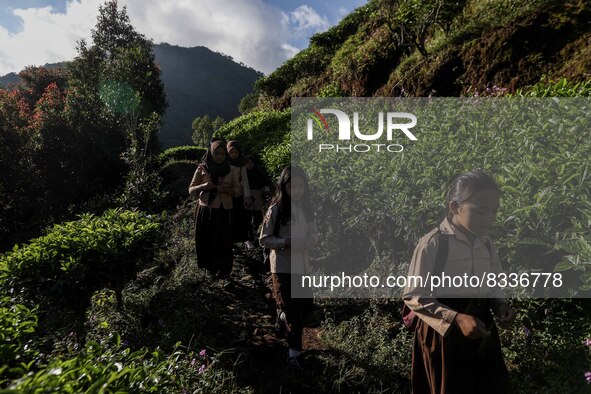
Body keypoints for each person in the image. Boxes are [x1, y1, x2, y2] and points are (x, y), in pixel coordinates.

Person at [402, 169, 516, 394]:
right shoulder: (433, 244)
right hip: (444, 337)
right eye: (481, 211)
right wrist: (457, 318)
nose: (489, 218)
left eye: (494, 211)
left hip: (480, 330)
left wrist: (501, 306)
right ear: (455, 207)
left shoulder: (487, 245)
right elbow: (414, 295)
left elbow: (493, 285)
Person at [260, 165, 316, 371]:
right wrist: (287, 242)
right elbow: (264, 239)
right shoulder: (275, 209)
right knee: (294, 313)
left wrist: (311, 241)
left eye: (301, 187)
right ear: (284, 187)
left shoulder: (306, 208)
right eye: (293, 187)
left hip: (302, 266)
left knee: (305, 307)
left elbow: (314, 233)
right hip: (282, 266)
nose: (298, 191)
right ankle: (294, 354)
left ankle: (281, 313)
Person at [188, 140, 240, 284]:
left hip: (225, 210)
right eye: (216, 153)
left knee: (225, 241)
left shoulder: (232, 170)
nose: (220, 156)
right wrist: (204, 186)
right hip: (206, 209)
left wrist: (227, 190)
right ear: (211, 153)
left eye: (223, 154)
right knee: (207, 240)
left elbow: (238, 190)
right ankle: (209, 270)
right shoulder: (202, 168)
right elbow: (191, 190)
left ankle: (224, 273)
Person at [242, 154, 271, 249]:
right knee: (247, 219)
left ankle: (257, 236)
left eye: (251, 163)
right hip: (247, 197)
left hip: (258, 197)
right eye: (247, 163)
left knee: (258, 218)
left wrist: (266, 193)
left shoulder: (259, 172)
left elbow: (265, 183)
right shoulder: (243, 173)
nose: (250, 165)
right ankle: (249, 238)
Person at [226, 140, 252, 244]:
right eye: (231, 152)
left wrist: (247, 196)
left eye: (236, 152)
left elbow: (245, 181)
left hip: (238, 195)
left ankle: (242, 239)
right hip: (226, 194)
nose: (234, 155)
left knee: (239, 217)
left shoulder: (241, 166)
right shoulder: (224, 164)